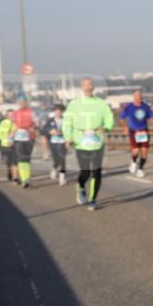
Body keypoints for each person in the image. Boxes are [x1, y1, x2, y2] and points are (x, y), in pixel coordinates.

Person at [63, 78, 115, 211]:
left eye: (90, 85)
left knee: (96, 172)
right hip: (81, 141)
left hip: (97, 141)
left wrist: (107, 128)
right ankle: (80, 186)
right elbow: (67, 122)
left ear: (93, 87)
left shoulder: (101, 104)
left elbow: (109, 118)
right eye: (85, 85)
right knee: (85, 172)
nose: (88, 87)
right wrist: (68, 138)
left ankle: (93, 199)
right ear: (81, 87)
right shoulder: (74, 104)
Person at [119, 89, 153, 177]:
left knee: (144, 151)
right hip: (134, 131)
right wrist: (124, 127)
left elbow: (150, 117)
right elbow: (121, 119)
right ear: (133, 97)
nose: (138, 97)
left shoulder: (146, 107)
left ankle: (140, 169)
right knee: (135, 151)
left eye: (139, 95)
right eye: (136, 96)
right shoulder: (129, 107)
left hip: (144, 131)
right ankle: (134, 161)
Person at [10, 99, 37, 188]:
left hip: (29, 137)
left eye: (23, 102)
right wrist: (11, 136)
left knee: (27, 158)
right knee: (21, 158)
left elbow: (37, 123)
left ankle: (27, 178)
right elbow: (12, 125)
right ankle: (24, 179)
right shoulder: (15, 113)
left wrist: (33, 127)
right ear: (18, 103)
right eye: (20, 102)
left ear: (26, 103)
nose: (21, 104)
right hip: (18, 138)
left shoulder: (31, 112)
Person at [40, 104, 68, 185]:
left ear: (62, 112)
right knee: (56, 160)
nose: (58, 113)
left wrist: (63, 133)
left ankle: (62, 177)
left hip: (63, 142)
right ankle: (54, 168)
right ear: (54, 112)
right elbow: (43, 130)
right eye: (56, 111)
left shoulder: (66, 120)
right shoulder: (50, 120)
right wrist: (50, 131)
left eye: (60, 111)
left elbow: (71, 130)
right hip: (53, 142)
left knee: (62, 159)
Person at [0, 110, 17, 182]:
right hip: (4, 145)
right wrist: (6, 140)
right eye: (10, 115)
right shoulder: (3, 123)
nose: (11, 117)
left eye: (12, 115)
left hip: (14, 146)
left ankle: (15, 176)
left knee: (14, 161)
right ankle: (9, 170)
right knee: (6, 160)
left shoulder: (17, 123)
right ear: (7, 116)